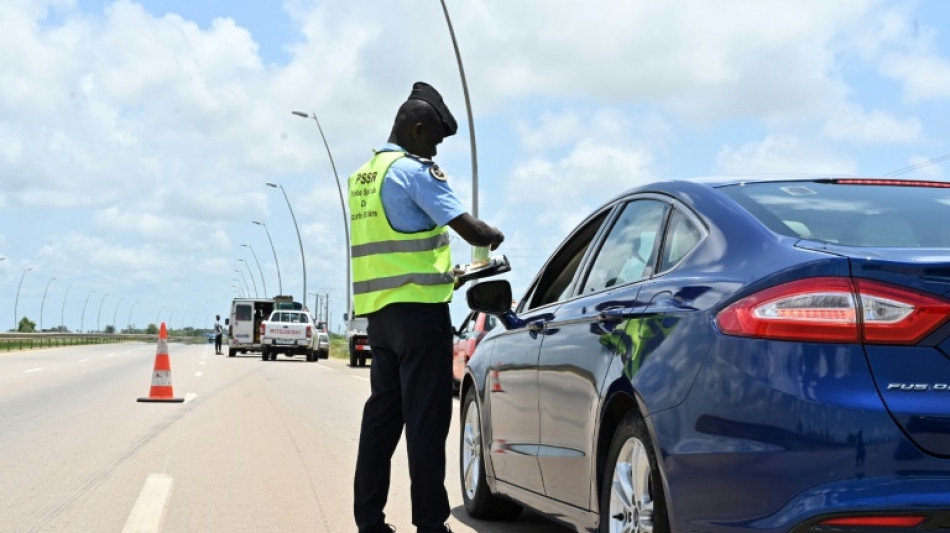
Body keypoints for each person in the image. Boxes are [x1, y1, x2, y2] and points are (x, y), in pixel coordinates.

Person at [351, 82, 504, 533]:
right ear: (417, 130)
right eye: (435, 140)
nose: (436, 149)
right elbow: (471, 229)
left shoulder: (364, 176)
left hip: (380, 317)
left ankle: (368, 521)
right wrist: (493, 238)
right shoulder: (414, 172)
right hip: (420, 317)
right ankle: (431, 524)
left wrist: (448, 273)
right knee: (426, 420)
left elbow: (396, 245)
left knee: (382, 416)